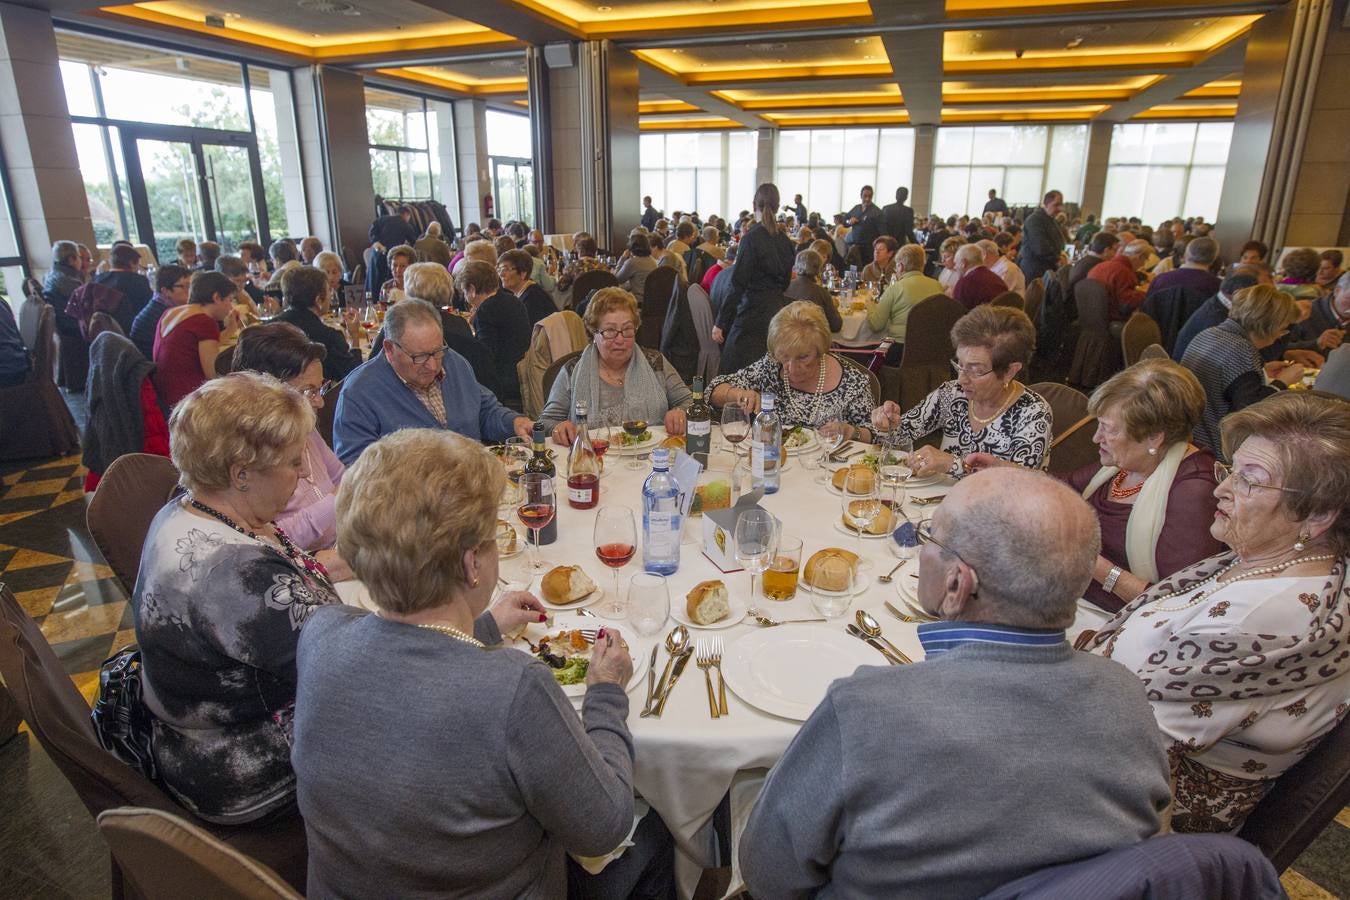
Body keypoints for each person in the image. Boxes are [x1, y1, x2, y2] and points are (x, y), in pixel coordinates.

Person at [740, 467, 1170, 897]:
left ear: (956, 583)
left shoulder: (866, 711)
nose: (922, 550)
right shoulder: (1127, 699)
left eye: (932, 539)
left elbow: (769, 873)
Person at [293, 429, 674, 897]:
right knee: (661, 834)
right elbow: (605, 826)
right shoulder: (512, 687)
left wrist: (485, 625)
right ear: (472, 563)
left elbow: (411, 665)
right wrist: (606, 691)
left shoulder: (322, 633)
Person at [1089, 392, 1350, 833]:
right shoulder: (1288, 566)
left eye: (1250, 479)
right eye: (1232, 471)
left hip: (1125, 818)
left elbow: (1127, 762)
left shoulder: (1261, 619)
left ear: (1319, 514)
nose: (1221, 487)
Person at [134, 372, 341, 823]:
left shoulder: (187, 508)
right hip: (248, 775)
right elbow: (347, 667)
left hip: (196, 741)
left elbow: (302, 579)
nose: (305, 472)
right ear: (241, 473)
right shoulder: (235, 575)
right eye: (291, 462)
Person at [969, 360, 1222, 613]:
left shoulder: (1194, 492)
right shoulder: (1125, 465)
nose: (1096, 438)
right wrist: (1004, 470)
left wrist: (1086, 559)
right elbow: (1065, 487)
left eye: (1109, 430)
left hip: (1112, 620)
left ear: (1154, 436)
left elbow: (1176, 603)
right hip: (1067, 594)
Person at [332, 299, 531, 464]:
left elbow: (484, 409)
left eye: (437, 351)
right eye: (419, 357)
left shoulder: (454, 363)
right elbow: (355, 471)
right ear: (390, 349)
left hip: (471, 491)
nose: (433, 366)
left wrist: (512, 422)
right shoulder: (359, 392)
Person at [230, 323, 352, 579]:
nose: (319, 401)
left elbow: (341, 477)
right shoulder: (246, 455)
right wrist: (337, 502)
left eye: (321, 388)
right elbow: (269, 541)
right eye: (308, 391)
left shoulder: (304, 427)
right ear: (266, 392)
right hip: (298, 573)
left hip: (340, 548)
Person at [872, 305, 1052, 476]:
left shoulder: (1033, 413)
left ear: (1009, 372)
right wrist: (888, 424)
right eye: (960, 365)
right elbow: (901, 436)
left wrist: (954, 464)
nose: (961, 379)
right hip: (942, 501)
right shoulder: (953, 393)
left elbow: (1021, 482)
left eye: (975, 370)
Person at [541, 288, 691, 444]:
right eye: (610, 331)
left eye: (627, 330)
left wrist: (679, 411)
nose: (620, 340)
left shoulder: (655, 363)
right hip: (594, 459)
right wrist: (558, 427)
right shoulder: (572, 371)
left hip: (652, 458)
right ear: (594, 332)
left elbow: (689, 401)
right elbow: (545, 421)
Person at [710, 301, 875, 439]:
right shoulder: (770, 366)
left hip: (828, 470)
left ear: (821, 350)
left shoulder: (852, 382)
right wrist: (738, 395)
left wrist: (852, 432)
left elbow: (876, 434)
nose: (792, 368)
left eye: (803, 357)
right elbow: (713, 390)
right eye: (784, 357)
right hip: (774, 464)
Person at [1180, 285, 1303, 455]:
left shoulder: (1210, 334)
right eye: (1284, 328)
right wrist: (1282, 382)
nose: (1282, 335)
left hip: (1190, 432)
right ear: (1269, 326)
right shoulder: (1241, 349)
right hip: (1213, 445)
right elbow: (1251, 410)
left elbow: (1228, 381)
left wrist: (1262, 372)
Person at [372, 262, 501, 401]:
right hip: (463, 396)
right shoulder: (460, 323)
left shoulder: (399, 327)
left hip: (409, 398)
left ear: (410, 291)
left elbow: (374, 371)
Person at [713, 183, 796, 374]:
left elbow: (737, 284)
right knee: (769, 376)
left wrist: (721, 322)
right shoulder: (786, 241)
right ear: (777, 206)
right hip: (776, 315)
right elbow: (784, 283)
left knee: (732, 376)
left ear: (753, 205)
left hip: (750, 316)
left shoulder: (750, 239)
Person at [152, 271, 243, 410]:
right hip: (188, 401)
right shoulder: (204, 321)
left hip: (163, 395)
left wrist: (230, 330)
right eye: (229, 300)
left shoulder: (170, 312)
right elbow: (212, 375)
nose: (231, 307)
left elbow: (195, 348)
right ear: (217, 297)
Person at [274, 266, 363, 383]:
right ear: (318, 300)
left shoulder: (269, 327)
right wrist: (354, 336)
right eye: (329, 290)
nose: (331, 295)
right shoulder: (329, 337)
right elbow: (356, 378)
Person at [868, 243, 944, 362]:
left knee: (868, 360)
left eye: (896, 267)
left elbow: (876, 326)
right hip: (932, 350)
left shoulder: (895, 288)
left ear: (901, 267)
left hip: (901, 351)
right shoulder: (937, 285)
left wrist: (870, 304)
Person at [1172, 267, 1262, 362]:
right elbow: (1237, 358)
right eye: (1257, 293)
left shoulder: (1218, 304)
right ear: (1239, 292)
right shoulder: (1217, 319)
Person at [130, 265, 190, 360]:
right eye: (185, 286)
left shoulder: (158, 304)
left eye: (191, 286)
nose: (190, 291)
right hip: (154, 368)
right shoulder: (165, 314)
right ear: (165, 291)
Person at [1087, 239, 1151, 321]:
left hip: (1093, 316)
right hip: (1112, 319)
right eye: (1146, 260)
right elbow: (1127, 304)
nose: (1143, 265)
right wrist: (1145, 293)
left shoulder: (1100, 266)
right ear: (1140, 257)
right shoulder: (1124, 271)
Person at [783, 249, 842, 333]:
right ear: (819, 268)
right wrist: (834, 306)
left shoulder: (785, 287)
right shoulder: (821, 293)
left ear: (796, 265)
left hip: (788, 336)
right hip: (813, 339)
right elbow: (836, 326)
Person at [1146, 236, 1221, 300]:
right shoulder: (1217, 286)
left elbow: (1146, 311)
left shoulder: (1160, 280)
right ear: (1213, 259)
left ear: (1186, 254)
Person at [94, 243, 153, 321]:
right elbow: (149, 307)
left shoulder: (97, 279)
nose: (138, 269)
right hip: (132, 325)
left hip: (104, 326)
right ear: (131, 263)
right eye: (138, 265)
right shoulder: (138, 280)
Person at [497, 248, 555, 326]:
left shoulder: (532, 299)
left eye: (505, 269)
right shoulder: (523, 293)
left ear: (523, 273)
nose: (501, 274)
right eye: (499, 269)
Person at [1018, 190, 1065, 284]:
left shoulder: (1052, 221)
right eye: (1056, 205)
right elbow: (1040, 247)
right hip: (1034, 270)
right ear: (1046, 203)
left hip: (1047, 267)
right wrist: (1057, 258)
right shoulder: (1034, 220)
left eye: (1061, 205)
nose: (1060, 208)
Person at [951, 243, 1007, 311]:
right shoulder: (997, 279)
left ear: (963, 263)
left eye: (956, 263)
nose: (955, 267)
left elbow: (957, 314)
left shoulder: (964, 284)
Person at [843, 185, 883, 265]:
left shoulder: (877, 212)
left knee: (865, 271)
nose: (867, 199)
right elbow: (844, 221)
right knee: (853, 270)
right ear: (861, 196)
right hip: (854, 247)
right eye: (865, 196)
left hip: (869, 249)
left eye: (870, 196)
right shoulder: (856, 208)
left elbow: (882, 232)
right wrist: (849, 222)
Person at [614, 232, 659, 301]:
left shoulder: (632, 262)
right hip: (650, 301)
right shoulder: (652, 260)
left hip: (637, 301)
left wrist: (623, 258)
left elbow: (617, 280)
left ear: (631, 247)